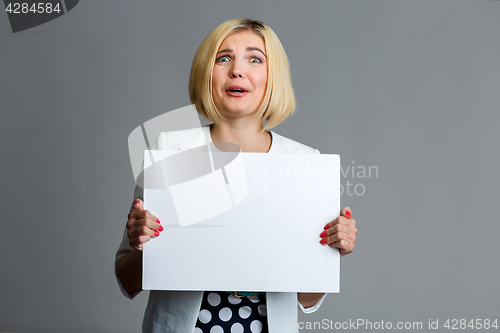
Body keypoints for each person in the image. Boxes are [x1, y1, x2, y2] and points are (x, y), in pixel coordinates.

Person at [115, 18, 358, 333]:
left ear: (273, 77)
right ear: (207, 73)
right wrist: (141, 245)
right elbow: (127, 279)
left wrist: (331, 251)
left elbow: (306, 299)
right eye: (223, 58)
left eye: (255, 59)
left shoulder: (303, 162)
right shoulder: (171, 151)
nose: (237, 70)